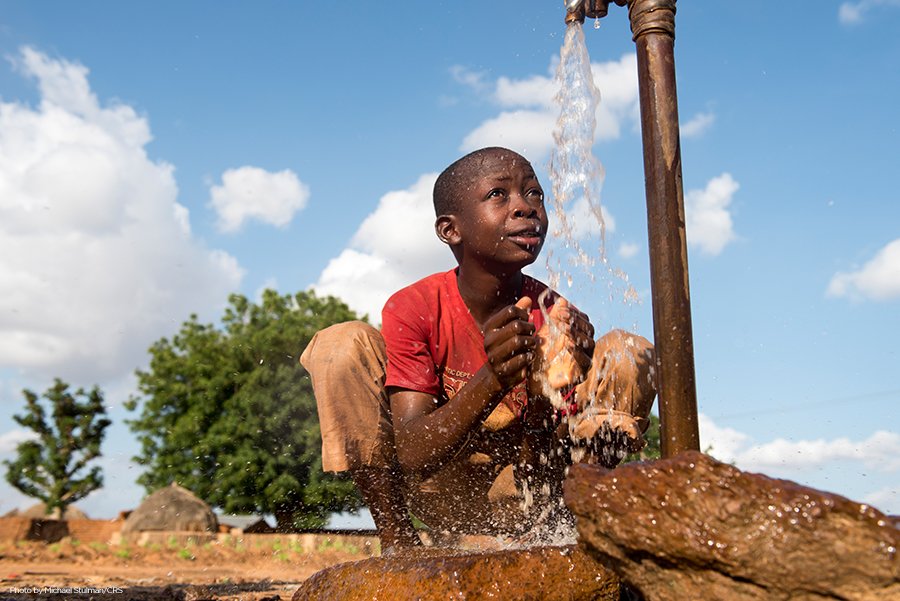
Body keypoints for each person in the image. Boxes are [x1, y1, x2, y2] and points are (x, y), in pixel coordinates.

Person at [300, 147, 656, 553]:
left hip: (527, 494)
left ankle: (562, 537)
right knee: (341, 345)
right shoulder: (415, 307)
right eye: (498, 195)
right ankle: (398, 541)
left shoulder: (555, 315)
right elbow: (413, 453)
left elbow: (550, 453)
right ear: (451, 230)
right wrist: (494, 377)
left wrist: (553, 390)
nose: (525, 207)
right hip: (438, 488)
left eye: (534, 194)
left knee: (628, 352)